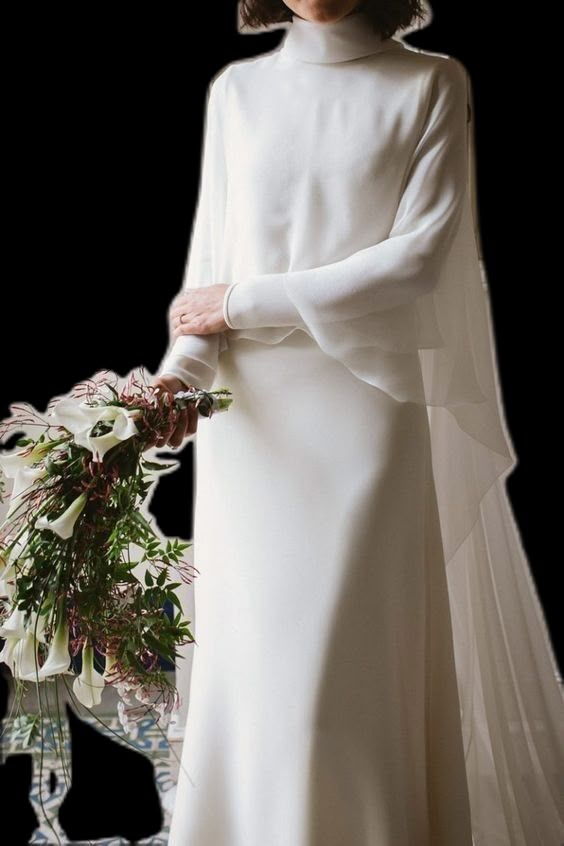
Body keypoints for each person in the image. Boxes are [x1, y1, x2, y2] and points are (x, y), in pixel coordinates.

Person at [151, 2, 564, 844]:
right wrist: (172, 390)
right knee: (255, 678)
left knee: (340, 680)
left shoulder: (431, 84)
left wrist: (243, 304)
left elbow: (418, 259)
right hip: (252, 426)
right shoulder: (237, 91)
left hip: (369, 418)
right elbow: (207, 275)